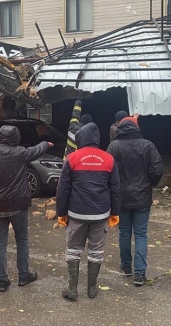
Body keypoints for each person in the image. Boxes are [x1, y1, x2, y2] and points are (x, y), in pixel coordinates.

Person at [0, 125, 53, 292]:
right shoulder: (20, 153)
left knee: (0, 243)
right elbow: (36, 150)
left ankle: (2, 280)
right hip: (19, 204)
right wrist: (46, 143)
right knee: (22, 240)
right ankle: (24, 276)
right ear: (15, 138)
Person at [56, 122, 121, 301]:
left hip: (76, 214)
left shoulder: (72, 158)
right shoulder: (108, 159)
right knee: (96, 251)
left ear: (81, 139)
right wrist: (115, 212)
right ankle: (92, 289)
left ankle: (72, 289)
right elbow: (115, 188)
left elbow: (62, 189)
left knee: (73, 250)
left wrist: (61, 213)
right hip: (100, 214)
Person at [106, 117, 163, 286]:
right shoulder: (147, 145)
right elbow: (157, 168)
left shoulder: (114, 146)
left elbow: (106, 170)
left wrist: (111, 188)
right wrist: (150, 183)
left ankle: (126, 267)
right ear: (137, 127)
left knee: (124, 232)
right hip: (142, 196)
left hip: (121, 197)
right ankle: (140, 273)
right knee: (140, 234)